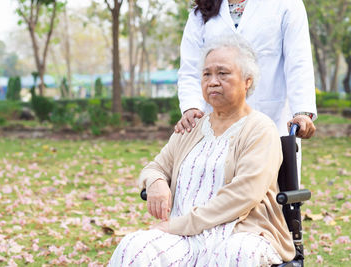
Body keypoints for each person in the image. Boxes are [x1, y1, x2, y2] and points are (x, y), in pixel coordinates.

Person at [109, 35, 294, 266]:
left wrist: (179, 225)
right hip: (184, 238)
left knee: (236, 254)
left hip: (240, 232)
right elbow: (155, 167)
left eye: (223, 73)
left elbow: (244, 194)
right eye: (207, 74)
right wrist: (155, 181)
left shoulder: (260, 128)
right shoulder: (192, 126)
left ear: (247, 81)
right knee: (133, 246)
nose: (213, 81)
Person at [175, 0, 317, 139]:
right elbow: (190, 70)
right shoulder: (200, 13)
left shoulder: (287, 4)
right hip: (216, 123)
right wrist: (192, 107)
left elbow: (298, 62)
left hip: (272, 118)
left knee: (268, 158)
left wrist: (302, 111)